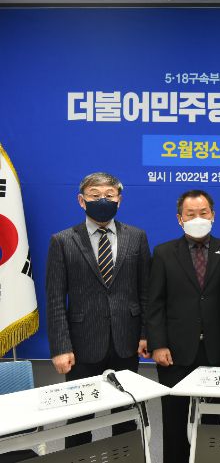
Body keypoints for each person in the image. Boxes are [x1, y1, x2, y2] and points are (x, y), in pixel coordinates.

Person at [45, 172, 151, 448]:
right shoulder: (63, 241)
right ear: (82, 200)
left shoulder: (137, 237)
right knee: (80, 419)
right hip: (81, 345)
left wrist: (145, 334)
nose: (102, 200)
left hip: (126, 341)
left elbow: (145, 292)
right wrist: (60, 347)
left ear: (119, 200)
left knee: (126, 415)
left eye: (109, 195)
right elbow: (55, 298)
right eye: (95, 195)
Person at [145, 190, 220, 463]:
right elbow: (155, 303)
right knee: (174, 418)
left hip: (217, 349)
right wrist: (158, 344)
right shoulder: (163, 253)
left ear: (213, 215)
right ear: (180, 219)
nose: (198, 218)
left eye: (203, 213)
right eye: (191, 214)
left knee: (212, 420)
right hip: (175, 352)